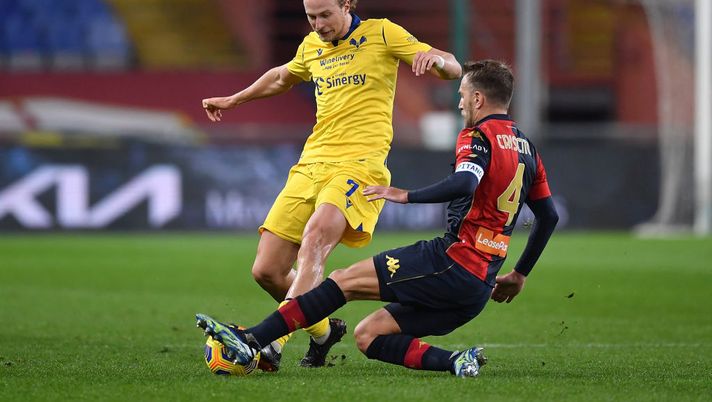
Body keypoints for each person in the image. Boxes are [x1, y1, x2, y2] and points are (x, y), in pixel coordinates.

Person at [196, 59, 559, 377]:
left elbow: (466, 182)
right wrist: (520, 273)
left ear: (478, 99)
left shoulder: (477, 135)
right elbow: (549, 215)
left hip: (452, 262)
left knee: (342, 281)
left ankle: (253, 340)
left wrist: (405, 195)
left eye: (463, 94)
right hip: (478, 287)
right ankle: (458, 361)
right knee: (368, 335)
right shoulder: (528, 148)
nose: (460, 101)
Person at [200, 0, 462, 370]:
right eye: (310, 17)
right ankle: (323, 333)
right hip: (311, 164)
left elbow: (452, 65)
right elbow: (281, 76)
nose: (318, 24)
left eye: (325, 15)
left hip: (360, 165)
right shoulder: (311, 47)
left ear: (347, 5)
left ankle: (272, 344)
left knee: (317, 236)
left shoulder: (382, 32)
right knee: (267, 270)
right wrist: (235, 99)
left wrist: (436, 62)